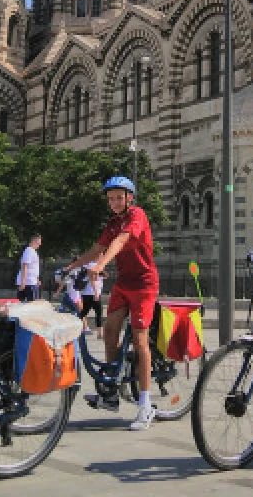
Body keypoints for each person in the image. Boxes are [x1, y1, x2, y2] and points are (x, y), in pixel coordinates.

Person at [64, 176, 159, 431]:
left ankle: (145, 404)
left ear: (129, 198)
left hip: (143, 284)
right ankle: (111, 393)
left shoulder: (136, 215)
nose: (114, 202)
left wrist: (101, 265)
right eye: (110, 198)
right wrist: (71, 267)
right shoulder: (113, 222)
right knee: (109, 331)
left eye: (119, 197)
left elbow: (121, 241)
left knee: (140, 341)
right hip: (124, 284)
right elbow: (98, 247)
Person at [16, 233, 42, 302]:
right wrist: (23, 282)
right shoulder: (29, 250)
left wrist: (37, 279)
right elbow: (25, 265)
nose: (39, 245)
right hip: (28, 283)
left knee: (28, 304)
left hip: (31, 282)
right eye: (38, 243)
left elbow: (33, 268)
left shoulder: (32, 251)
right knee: (32, 305)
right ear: (33, 241)